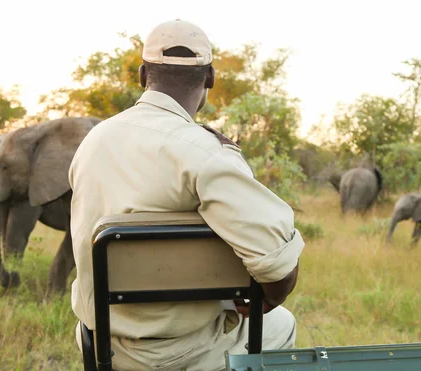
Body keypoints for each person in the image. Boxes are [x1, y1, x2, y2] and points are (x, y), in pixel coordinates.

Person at [68, 19, 305, 370]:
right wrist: (267, 300)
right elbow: (279, 267)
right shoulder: (206, 152)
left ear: (141, 75)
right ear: (209, 79)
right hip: (182, 350)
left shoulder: (93, 142)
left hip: (100, 341)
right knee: (281, 324)